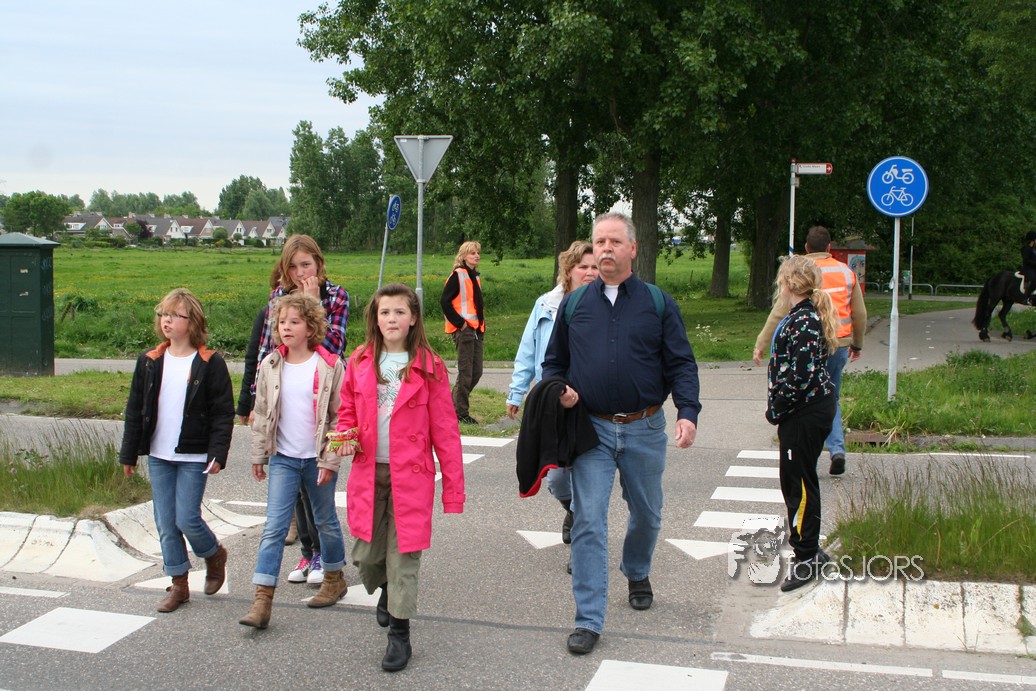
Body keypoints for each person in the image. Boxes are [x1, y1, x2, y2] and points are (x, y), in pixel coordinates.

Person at [542, 212, 701, 656]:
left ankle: (637, 569)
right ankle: (588, 619)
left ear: (633, 248)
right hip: (590, 429)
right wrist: (560, 391)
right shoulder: (575, 304)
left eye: (614, 241)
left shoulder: (657, 303)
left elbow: (681, 363)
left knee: (647, 514)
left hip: (644, 427)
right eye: (599, 242)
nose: (606, 249)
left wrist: (687, 411)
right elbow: (554, 363)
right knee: (589, 520)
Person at [335, 283, 465, 672]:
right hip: (367, 472)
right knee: (367, 556)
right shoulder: (360, 360)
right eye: (384, 312)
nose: (391, 319)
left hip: (412, 477)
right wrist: (344, 434)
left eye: (399, 312)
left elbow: (446, 431)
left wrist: (453, 491)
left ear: (413, 319)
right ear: (375, 319)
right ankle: (386, 589)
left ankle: (400, 633)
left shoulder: (430, 366)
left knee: (404, 557)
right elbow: (346, 408)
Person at [119, 288, 234, 613]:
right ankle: (179, 583)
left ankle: (213, 554)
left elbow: (222, 412)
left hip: (193, 456)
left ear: (193, 322)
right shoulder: (150, 361)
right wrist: (129, 453)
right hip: (159, 454)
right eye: (163, 315)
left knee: (186, 518)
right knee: (166, 522)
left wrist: (217, 453)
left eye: (175, 315)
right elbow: (134, 409)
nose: (167, 321)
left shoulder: (210, 363)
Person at [240, 292, 347, 629]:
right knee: (274, 527)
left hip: (316, 459)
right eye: (282, 322)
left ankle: (334, 578)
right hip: (284, 459)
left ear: (311, 327)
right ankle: (262, 600)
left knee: (325, 520)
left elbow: (339, 417)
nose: (286, 327)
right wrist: (259, 455)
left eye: (294, 322)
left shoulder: (329, 365)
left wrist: (330, 460)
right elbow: (261, 413)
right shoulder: (270, 364)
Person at [254, 234, 351, 586]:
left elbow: (333, 345)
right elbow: (268, 349)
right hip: (286, 397)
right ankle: (308, 552)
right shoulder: (278, 298)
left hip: (320, 397)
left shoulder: (336, 295)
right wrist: (255, 396)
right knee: (295, 494)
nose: (299, 273)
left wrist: (312, 304)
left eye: (306, 265)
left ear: (319, 264)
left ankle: (327, 559)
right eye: (292, 267)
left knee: (320, 500)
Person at [506, 241, 598, 563]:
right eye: (583, 267)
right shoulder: (545, 305)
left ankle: (580, 550)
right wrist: (517, 392)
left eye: (595, 267)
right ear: (569, 270)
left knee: (586, 474)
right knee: (557, 478)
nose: (590, 272)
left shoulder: (605, 306)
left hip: (589, 404)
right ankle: (570, 509)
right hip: (553, 401)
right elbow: (527, 351)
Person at [752, 225, 866, 476]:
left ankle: (808, 458)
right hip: (838, 343)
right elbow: (859, 313)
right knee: (830, 396)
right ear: (829, 247)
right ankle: (837, 450)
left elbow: (778, 313)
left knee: (806, 401)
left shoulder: (801, 272)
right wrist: (857, 343)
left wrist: (761, 343)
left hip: (807, 345)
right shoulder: (845, 272)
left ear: (806, 247)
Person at [764, 255, 838, 592]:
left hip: (804, 413)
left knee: (800, 486)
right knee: (799, 481)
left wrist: (778, 407)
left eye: (780, 280)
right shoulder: (801, 316)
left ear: (788, 283)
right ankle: (809, 550)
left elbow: (801, 374)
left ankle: (806, 556)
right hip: (803, 412)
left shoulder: (804, 320)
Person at [440, 240, 485, 424]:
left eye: (478, 253)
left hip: (477, 330)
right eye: (472, 253)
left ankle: (451, 406)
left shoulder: (474, 276)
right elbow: (444, 302)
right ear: (464, 256)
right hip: (464, 330)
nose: (477, 255)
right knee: (466, 373)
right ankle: (460, 413)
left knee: (477, 372)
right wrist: (461, 324)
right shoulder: (458, 275)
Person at [1020, 230, 1036, 304]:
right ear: (1033, 240)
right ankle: (1026, 298)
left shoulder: (1033, 249)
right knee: (1034, 280)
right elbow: (1026, 260)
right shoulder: (1026, 248)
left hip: (1033, 269)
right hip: (1028, 269)